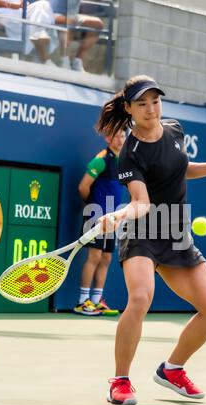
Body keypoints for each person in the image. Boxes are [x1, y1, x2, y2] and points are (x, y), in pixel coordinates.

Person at [96, 75, 206, 405]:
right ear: (129, 109)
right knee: (140, 299)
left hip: (176, 234)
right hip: (142, 233)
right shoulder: (131, 154)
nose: (151, 108)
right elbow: (141, 202)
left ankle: (173, 369)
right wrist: (119, 215)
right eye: (141, 103)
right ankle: (121, 380)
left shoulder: (174, 130)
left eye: (154, 101)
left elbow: (180, 169)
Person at [74, 127, 126, 316]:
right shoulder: (101, 160)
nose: (120, 140)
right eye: (116, 136)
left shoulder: (124, 162)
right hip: (95, 215)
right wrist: (91, 206)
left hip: (112, 219)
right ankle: (82, 302)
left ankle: (96, 302)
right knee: (94, 257)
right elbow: (83, 187)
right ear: (107, 138)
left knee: (106, 258)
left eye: (123, 136)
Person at [0, 0, 58, 64]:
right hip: (2, 11)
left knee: (43, 4)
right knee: (36, 25)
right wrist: (12, 5)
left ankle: (38, 35)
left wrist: (21, 3)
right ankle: (43, 60)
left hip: (20, 11)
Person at [50, 0, 103, 71]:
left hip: (72, 16)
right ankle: (64, 60)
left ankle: (77, 61)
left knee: (97, 24)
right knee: (71, 21)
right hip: (53, 13)